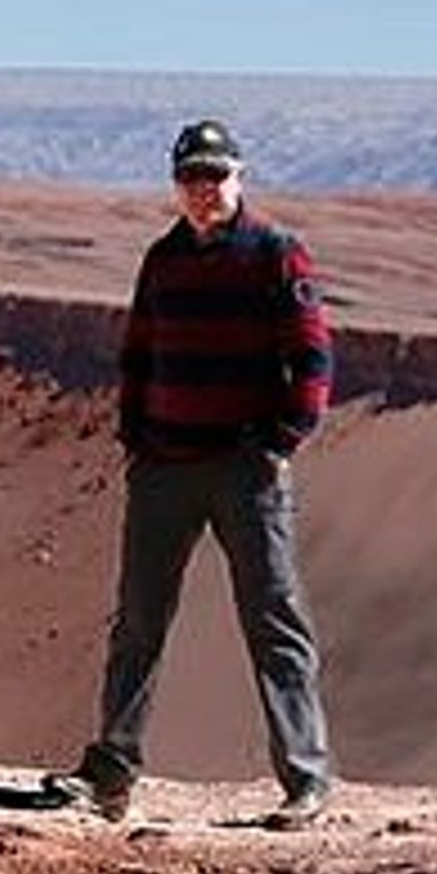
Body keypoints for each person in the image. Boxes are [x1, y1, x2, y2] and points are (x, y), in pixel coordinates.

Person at [50, 118, 336, 827]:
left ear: (240, 178)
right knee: (139, 621)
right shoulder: (163, 260)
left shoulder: (276, 255)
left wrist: (282, 439)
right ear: (177, 186)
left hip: (245, 467)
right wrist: (137, 438)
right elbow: (138, 355)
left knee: (273, 620)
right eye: (191, 179)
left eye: (216, 176)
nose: (204, 191)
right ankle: (111, 773)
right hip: (166, 466)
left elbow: (313, 358)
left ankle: (306, 777)